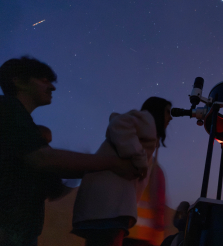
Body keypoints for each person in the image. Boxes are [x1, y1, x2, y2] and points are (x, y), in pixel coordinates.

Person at [0, 56, 140, 246]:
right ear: (19, 80)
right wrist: (114, 163)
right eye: (44, 80)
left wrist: (75, 169)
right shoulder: (3, 106)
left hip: (16, 234)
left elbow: (51, 187)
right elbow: (43, 158)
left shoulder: (19, 126)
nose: (52, 87)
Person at [72, 97, 172, 246]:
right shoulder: (146, 119)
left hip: (110, 209)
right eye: (168, 112)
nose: (171, 117)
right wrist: (139, 158)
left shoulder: (146, 136)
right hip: (109, 208)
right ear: (157, 111)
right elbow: (118, 123)